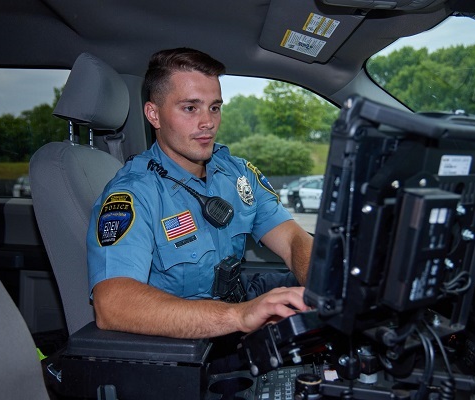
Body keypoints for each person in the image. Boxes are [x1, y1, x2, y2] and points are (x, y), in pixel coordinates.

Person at [87, 47, 313, 340]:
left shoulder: (237, 174)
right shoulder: (133, 194)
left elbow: (294, 239)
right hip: (186, 345)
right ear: (153, 114)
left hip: (235, 314)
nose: (208, 122)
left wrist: (321, 294)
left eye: (214, 107)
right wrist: (240, 316)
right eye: (190, 108)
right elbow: (112, 304)